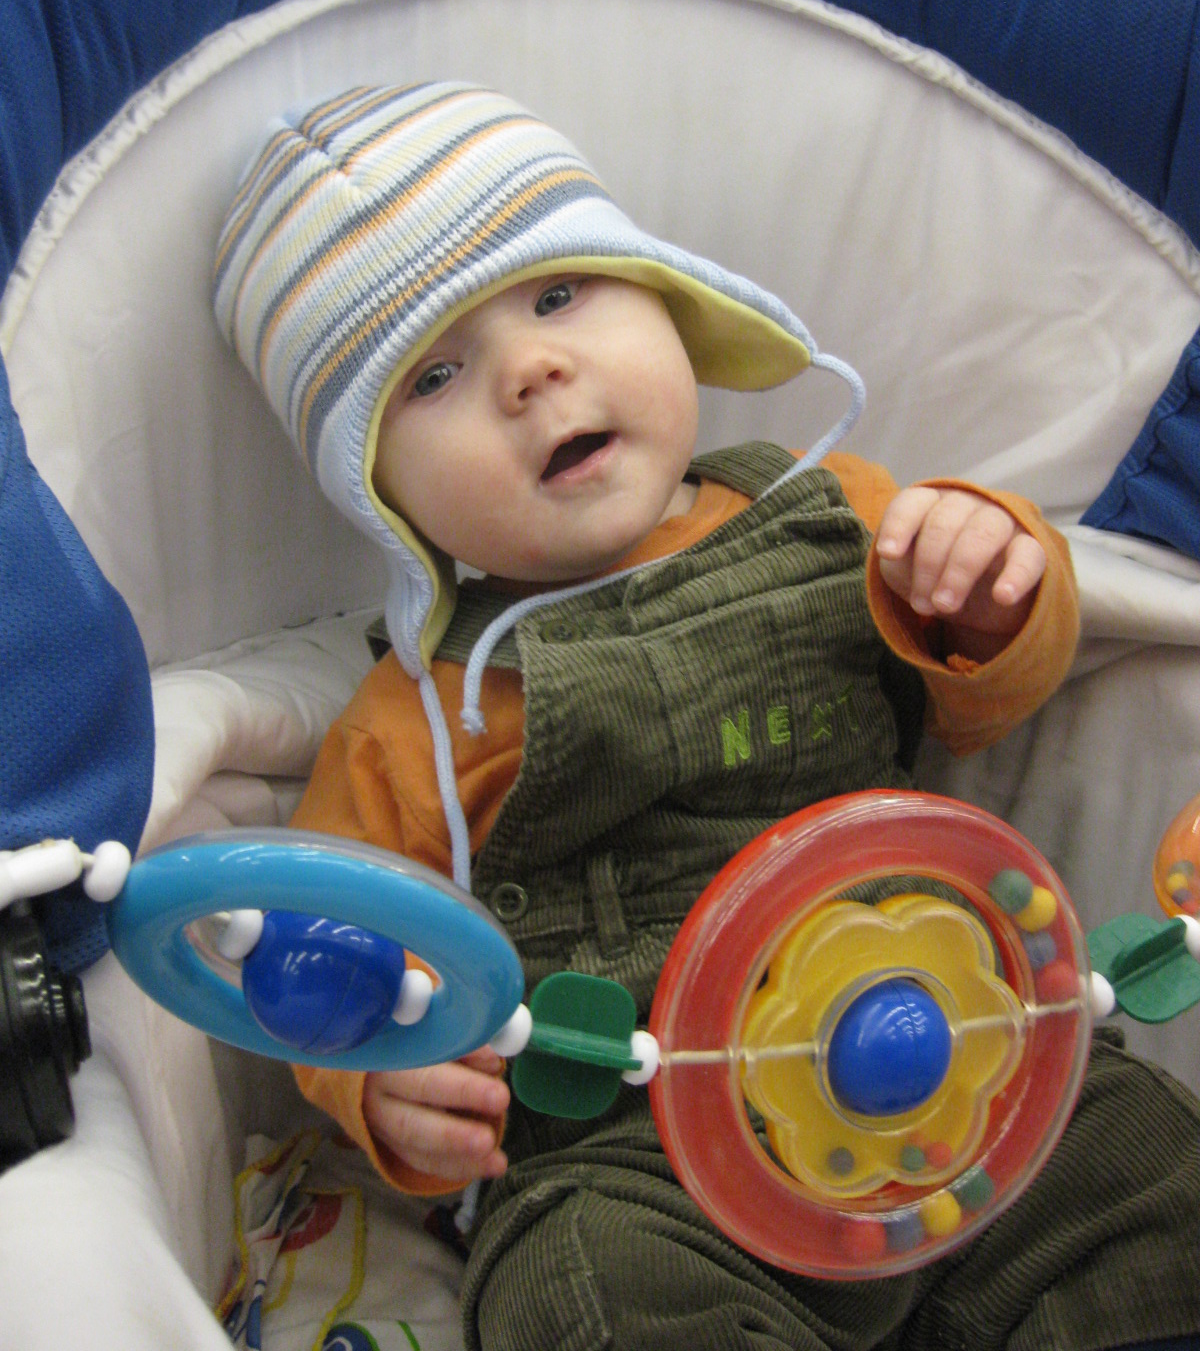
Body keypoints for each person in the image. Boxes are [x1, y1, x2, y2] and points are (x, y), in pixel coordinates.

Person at [214, 82, 1200, 1351]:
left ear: (669, 299)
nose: (530, 372)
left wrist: (991, 583)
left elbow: (989, 703)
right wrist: (381, 1076)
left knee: (1149, 1166)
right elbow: (326, 952)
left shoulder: (836, 511)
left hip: (963, 1061)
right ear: (380, 494)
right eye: (436, 375)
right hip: (642, 1167)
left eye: (558, 293)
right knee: (578, 1291)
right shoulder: (418, 716)